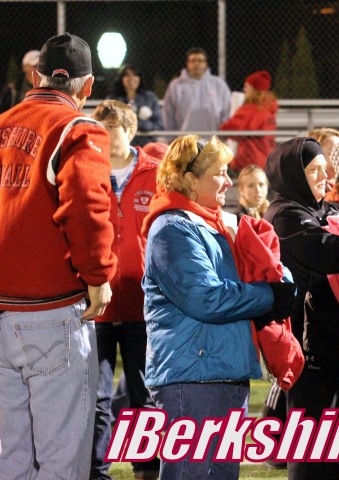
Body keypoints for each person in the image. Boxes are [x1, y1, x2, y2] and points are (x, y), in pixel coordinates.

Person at [141, 134, 295, 479]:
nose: (228, 181)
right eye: (219, 173)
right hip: (194, 374)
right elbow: (206, 298)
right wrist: (270, 296)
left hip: (218, 368)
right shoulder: (172, 229)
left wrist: (277, 280)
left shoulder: (210, 223)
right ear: (190, 179)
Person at [0, 33, 116, 479]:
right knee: (62, 461)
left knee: (9, 461)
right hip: (50, 312)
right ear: (87, 87)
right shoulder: (77, 128)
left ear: (36, 77)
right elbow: (86, 206)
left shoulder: (3, 123)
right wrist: (98, 276)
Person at [263, 137, 339, 480]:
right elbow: (330, 253)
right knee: (312, 460)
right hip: (310, 357)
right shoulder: (284, 215)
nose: (325, 177)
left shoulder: (327, 210)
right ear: (293, 174)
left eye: (325, 169)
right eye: (314, 170)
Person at [89, 100, 160, 480]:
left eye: (109, 129)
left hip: (143, 305)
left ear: (130, 131)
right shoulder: (85, 170)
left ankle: (147, 469)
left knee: (143, 393)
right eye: (98, 128)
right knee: (95, 398)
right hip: (95, 305)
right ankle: (95, 471)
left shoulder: (156, 174)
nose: (101, 136)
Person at [162, 47, 231, 134]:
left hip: (213, 139)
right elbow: (168, 114)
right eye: (193, 61)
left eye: (200, 61)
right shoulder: (176, 86)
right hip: (184, 139)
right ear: (187, 64)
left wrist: (223, 135)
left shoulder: (219, 85)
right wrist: (170, 137)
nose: (196, 64)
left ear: (206, 64)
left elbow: (227, 111)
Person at [221, 70, 277, 171]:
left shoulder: (252, 110)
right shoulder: (268, 108)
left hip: (251, 160)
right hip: (267, 158)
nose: (244, 90)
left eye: (247, 87)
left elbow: (229, 128)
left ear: (255, 90)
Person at [106, 64, 163, 146]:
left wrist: (140, 124)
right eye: (127, 75)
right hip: (120, 144)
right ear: (121, 78)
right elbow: (108, 121)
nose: (131, 78)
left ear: (140, 78)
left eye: (135, 75)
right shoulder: (113, 99)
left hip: (146, 144)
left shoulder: (149, 98)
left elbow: (159, 124)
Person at [0, 49, 39, 113]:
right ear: (24, 67)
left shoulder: (48, 89)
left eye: (40, 66)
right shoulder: (12, 90)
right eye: (34, 66)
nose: (37, 69)